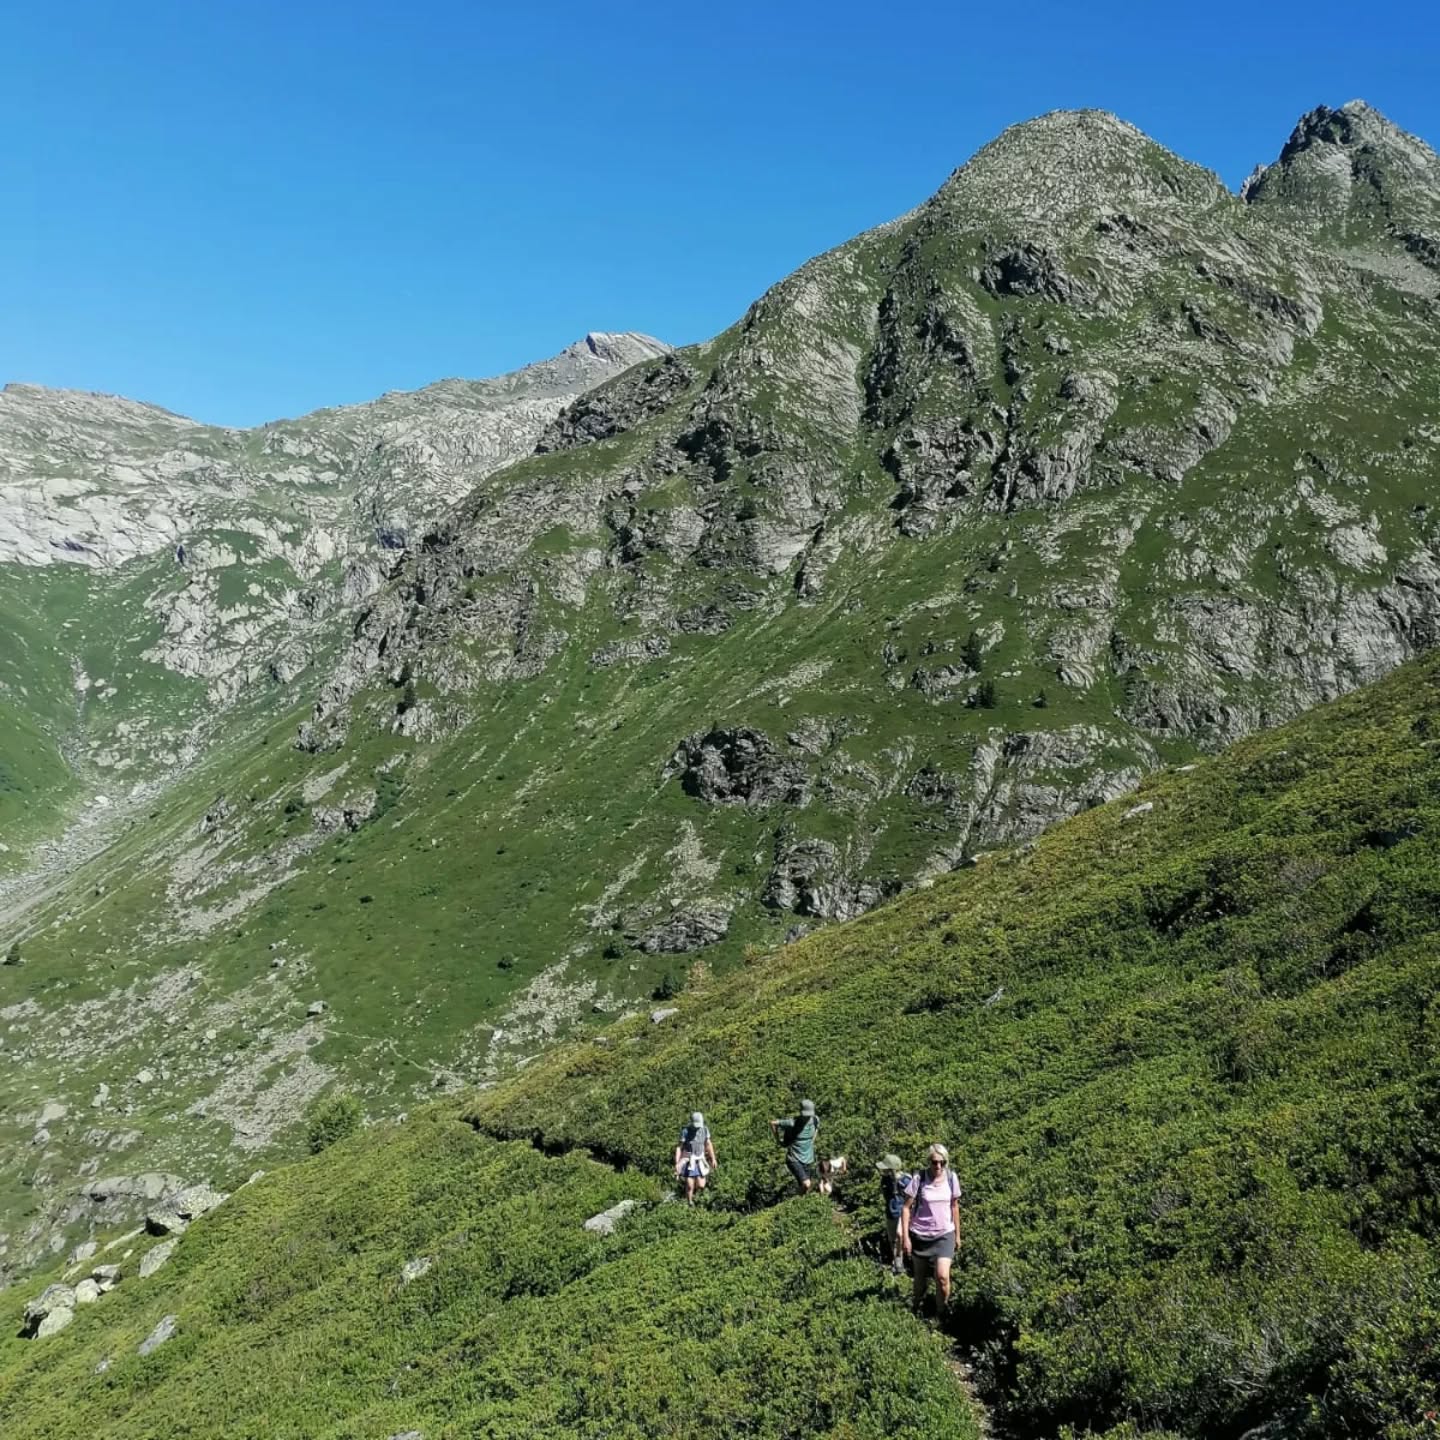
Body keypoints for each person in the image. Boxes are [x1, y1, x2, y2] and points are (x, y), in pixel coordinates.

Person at [900, 1143, 961, 1315]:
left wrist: (957, 1235)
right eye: (935, 1162)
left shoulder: (951, 1178)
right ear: (929, 1162)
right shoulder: (919, 1179)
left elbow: (955, 1206)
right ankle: (915, 1307)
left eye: (942, 1162)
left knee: (942, 1276)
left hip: (944, 1235)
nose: (938, 1166)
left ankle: (941, 1313)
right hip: (920, 1235)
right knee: (920, 1280)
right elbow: (906, 1208)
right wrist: (906, 1237)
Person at [770, 1099, 820, 1194]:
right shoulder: (792, 1122)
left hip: (808, 1159)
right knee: (807, 1184)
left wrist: (812, 1140)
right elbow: (773, 1123)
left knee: (805, 1188)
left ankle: (797, 1202)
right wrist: (778, 1140)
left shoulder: (815, 1119)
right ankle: (795, 1201)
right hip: (794, 1158)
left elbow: (817, 1128)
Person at [874, 1153, 910, 1273]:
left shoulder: (905, 1180)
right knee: (893, 1240)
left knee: (900, 1234)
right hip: (890, 1213)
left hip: (902, 1212)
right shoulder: (885, 1180)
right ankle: (897, 1265)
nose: (883, 1171)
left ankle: (900, 1260)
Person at [674, 1111, 717, 1204]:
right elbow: (679, 1147)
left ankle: (694, 1192)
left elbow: (708, 1144)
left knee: (701, 1185)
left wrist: (713, 1158)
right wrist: (677, 1162)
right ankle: (689, 1202)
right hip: (689, 1159)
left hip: (700, 1158)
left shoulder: (704, 1129)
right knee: (689, 1185)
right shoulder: (685, 1131)